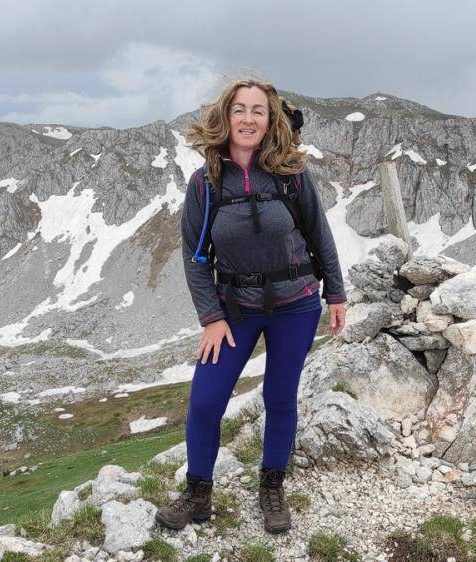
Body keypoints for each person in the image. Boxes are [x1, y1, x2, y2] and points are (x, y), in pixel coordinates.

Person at [155, 78, 347, 534]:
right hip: (235, 309)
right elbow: (195, 257)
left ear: (269, 120)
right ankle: (198, 494)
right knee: (205, 401)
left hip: (296, 305)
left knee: (279, 398)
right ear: (226, 117)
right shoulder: (205, 183)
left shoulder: (291, 174)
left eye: (258, 111)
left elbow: (319, 234)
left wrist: (336, 293)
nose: (248, 118)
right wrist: (211, 317)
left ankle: (272, 488)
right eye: (239, 109)